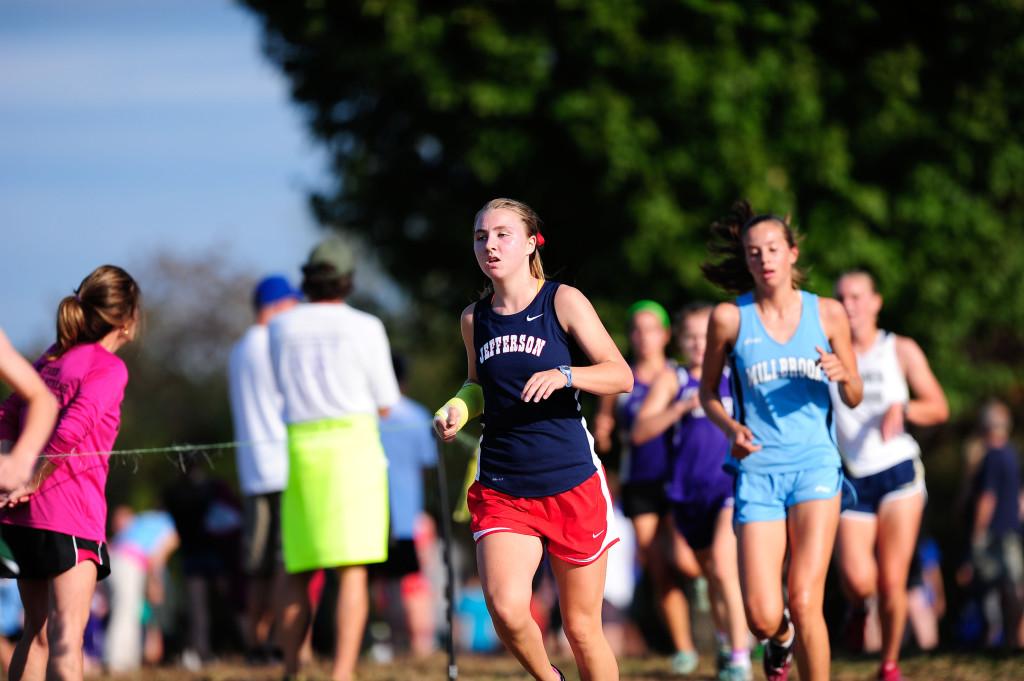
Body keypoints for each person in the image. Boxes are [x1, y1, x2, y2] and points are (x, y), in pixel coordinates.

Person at [434, 198, 633, 681]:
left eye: (502, 234)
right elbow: (478, 384)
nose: (490, 245)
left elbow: (620, 374)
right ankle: (550, 678)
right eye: (481, 236)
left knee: (582, 628)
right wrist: (459, 407)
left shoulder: (562, 301)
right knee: (505, 608)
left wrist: (566, 375)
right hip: (504, 481)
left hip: (570, 480)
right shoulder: (473, 318)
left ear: (529, 243)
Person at [699, 203, 862, 681]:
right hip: (758, 471)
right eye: (754, 253)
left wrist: (843, 374)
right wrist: (731, 429)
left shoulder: (828, 313)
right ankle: (782, 638)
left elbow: (854, 396)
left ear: (791, 253)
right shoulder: (729, 319)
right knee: (762, 617)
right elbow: (709, 393)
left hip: (815, 466)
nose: (765, 259)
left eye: (773, 249)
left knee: (806, 598)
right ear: (747, 262)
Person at [269, 236, 401, 681]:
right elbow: (387, 402)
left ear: (308, 278)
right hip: (354, 448)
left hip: (302, 447)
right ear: (347, 280)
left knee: (297, 568)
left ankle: (292, 667)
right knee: (352, 570)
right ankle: (342, 673)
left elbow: (277, 390)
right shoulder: (366, 327)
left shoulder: (281, 327)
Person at [0, 265, 140, 681]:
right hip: (69, 518)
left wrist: (12, 469)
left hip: (20, 518)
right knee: (66, 641)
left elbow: (7, 414)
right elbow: (71, 431)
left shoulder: (53, 356)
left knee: (35, 634)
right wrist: (29, 478)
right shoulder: (109, 368)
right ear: (127, 320)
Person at [829, 269, 948, 680]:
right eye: (842, 296)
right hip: (854, 475)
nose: (850, 304)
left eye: (858, 296)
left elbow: (939, 406)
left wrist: (904, 409)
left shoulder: (900, 349)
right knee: (858, 579)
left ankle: (889, 662)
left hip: (899, 472)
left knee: (892, 577)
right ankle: (860, 609)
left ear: (876, 302)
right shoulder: (827, 352)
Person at [633, 303, 750, 680]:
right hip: (687, 494)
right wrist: (682, 407)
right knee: (711, 575)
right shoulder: (675, 379)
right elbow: (640, 431)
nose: (701, 344)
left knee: (722, 563)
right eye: (692, 337)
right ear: (680, 341)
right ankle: (723, 637)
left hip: (729, 486)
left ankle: (740, 657)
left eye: (707, 336)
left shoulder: (736, 375)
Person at [594, 300, 700, 673]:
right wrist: (604, 435)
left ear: (666, 335)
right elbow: (604, 432)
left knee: (688, 559)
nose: (643, 337)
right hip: (640, 483)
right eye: (636, 329)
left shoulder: (682, 376)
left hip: (681, 480)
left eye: (651, 328)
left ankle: (709, 593)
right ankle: (684, 648)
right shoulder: (620, 379)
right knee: (658, 569)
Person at [228, 274, 301, 661]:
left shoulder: (239, 349)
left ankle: (254, 641)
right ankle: (276, 641)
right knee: (282, 563)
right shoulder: (272, 344)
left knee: (255, 566)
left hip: (252, 470)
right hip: (283, 467)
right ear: (275, 306)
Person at [374, 353, 438, 658]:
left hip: (369, 515)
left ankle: (387, 643)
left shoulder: (365, 417)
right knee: (413, 585)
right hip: (408, 515)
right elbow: (427, 466)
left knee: (375, 585)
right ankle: (419, 648)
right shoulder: (417, 415)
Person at [957, 399, 1023, 648]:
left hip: (994, 534)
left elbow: (987, 498)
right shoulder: (1012, 454)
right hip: (1012, 531)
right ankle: (1013, 641)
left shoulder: (992, 457)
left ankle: (997, 641)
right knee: (1012, 587)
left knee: (989, 590)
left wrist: (977, 533)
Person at [104, 506, 179, 671]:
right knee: (126, 610)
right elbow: (156, 557)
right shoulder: (170, 526)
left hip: (112, 558)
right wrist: (155, 583)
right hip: (129, 561)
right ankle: (118, 661)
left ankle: (127, 660)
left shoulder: (146, 519)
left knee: (125, 609)